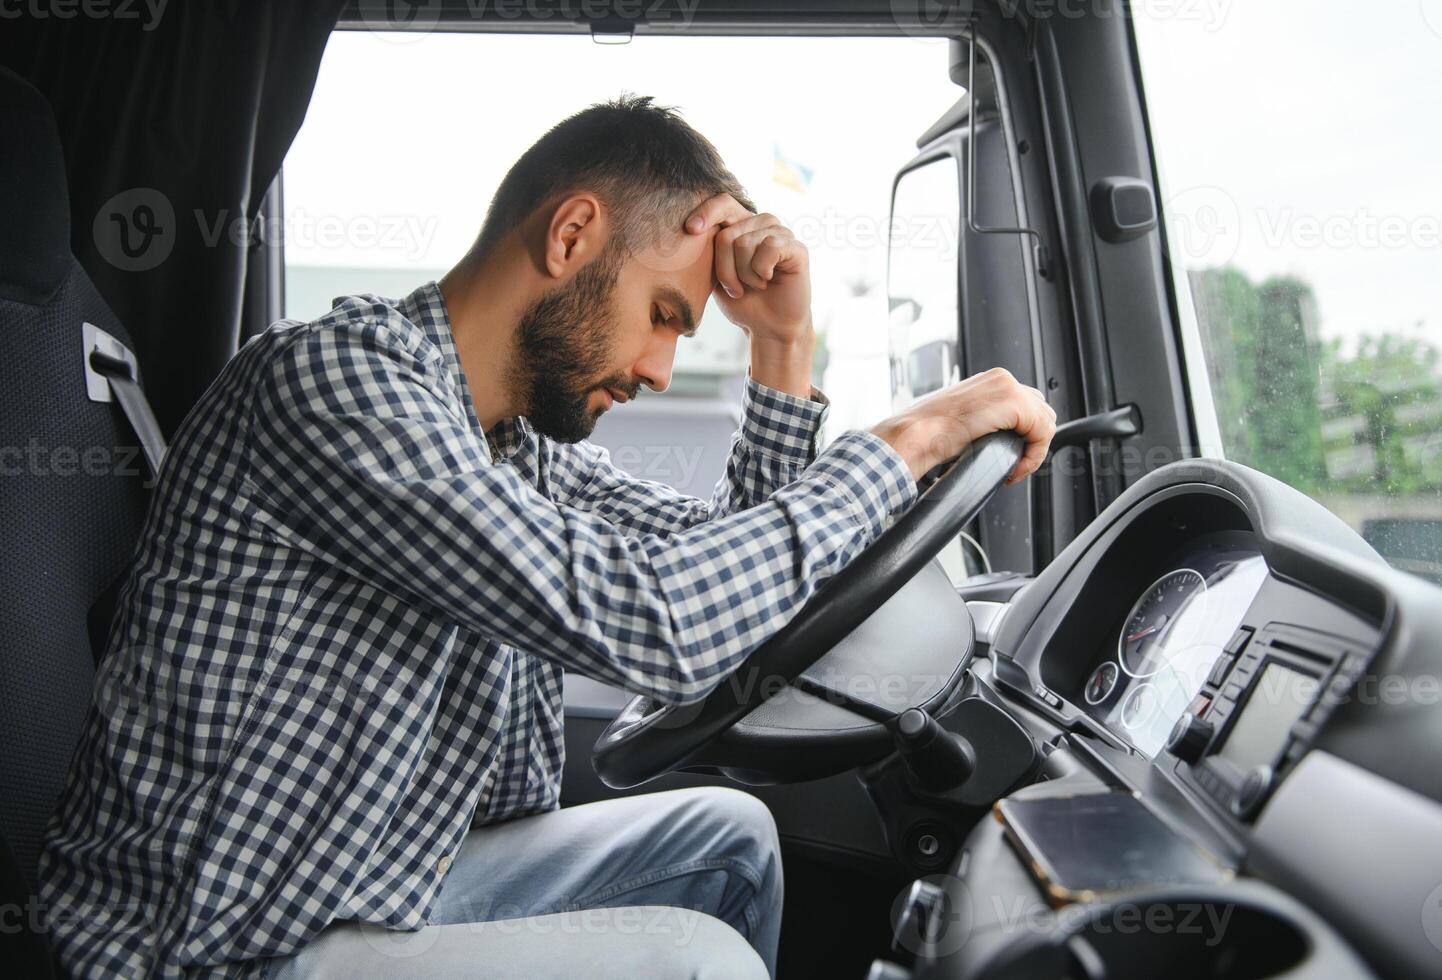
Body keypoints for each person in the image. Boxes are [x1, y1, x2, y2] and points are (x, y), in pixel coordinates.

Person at [41, 95, 1056, 978]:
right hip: (217, 944)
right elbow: (650, 617)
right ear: (571, 236)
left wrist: (782, 347)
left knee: (729, 837)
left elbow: (732, 578)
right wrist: (915, 434)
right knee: (701, 962)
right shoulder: (338, 386)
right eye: (663, 313)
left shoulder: (510, 439)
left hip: (370, 881)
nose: (661, 366)